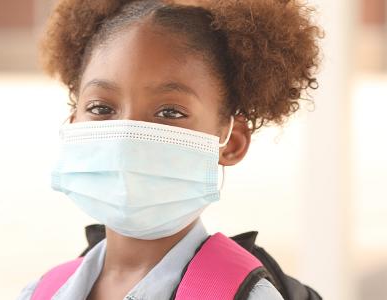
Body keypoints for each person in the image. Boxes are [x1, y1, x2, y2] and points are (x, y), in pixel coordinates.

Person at [18, 0, 322, 299]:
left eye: (170, 112)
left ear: (230, 142)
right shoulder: (40, 292)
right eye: (100, 107)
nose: (128, 137)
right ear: (73, 124)